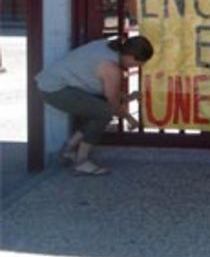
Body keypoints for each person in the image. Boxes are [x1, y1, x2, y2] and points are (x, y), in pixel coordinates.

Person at [35, 36, 154, 176]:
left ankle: (68, 150)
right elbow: (112, 104)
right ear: (130, 56)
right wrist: (128, 117)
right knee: (104, 112)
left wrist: (127, 98)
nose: (139, 66)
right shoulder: (111, 67)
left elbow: (109, 93)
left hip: (55, 83)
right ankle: (81, 161)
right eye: (138, 63)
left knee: (99, 109)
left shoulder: (109, 46)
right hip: (55, 89)